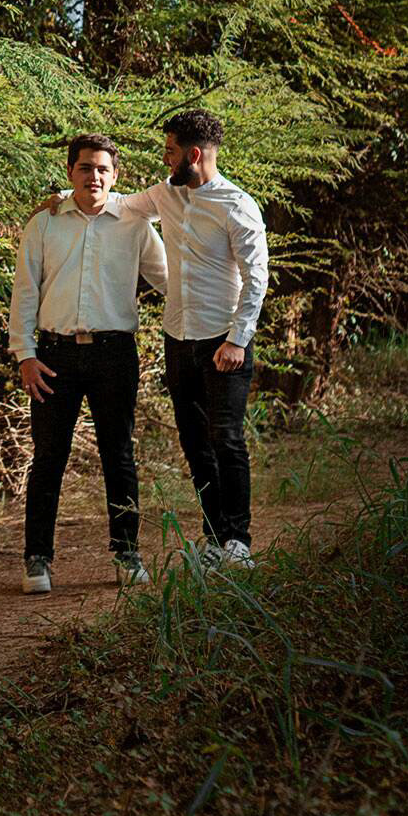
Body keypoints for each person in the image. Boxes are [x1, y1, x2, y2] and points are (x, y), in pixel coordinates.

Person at [51, 108, 269, 567]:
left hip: (223, 341)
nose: (165, 159)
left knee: (226, 439)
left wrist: (237, 340)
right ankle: (214, 539)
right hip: (178, 340)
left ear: (194, 155)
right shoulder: (165, 194)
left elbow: (257, 278)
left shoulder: (237, 205)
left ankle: (238, 540)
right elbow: (121, 204)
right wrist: (61, 198)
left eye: (170, 152)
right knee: (194, 443)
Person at [9, 133, 167, 594]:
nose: (93, 176)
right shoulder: (44, 224)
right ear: (70, 172)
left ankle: (126, 552)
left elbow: (168, 282)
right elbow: (25, 292)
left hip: (114, 354)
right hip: (53, 355)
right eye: (84, 168)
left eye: (102, 169)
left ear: (115, 176)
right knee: (48, 457)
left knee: (119, 454)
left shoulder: (134, 224)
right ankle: (37, 558)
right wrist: (25, 355)